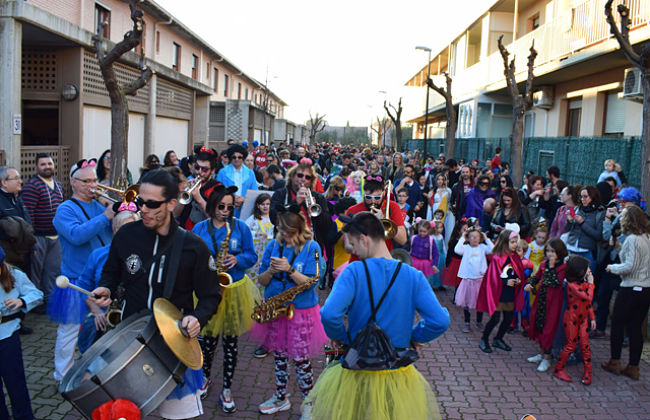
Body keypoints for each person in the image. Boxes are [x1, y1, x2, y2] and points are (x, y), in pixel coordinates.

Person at [90, 169, 221, 419]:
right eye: (140, 202)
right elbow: (111, 271)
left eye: (152, 204)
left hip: (173, 344)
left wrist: (197, 318)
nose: (144, 209)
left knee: (176, 415)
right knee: (124, 412)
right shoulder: (126, 235)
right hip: (128, 340)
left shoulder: (194, 247)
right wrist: (106, 287)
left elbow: (211, 296)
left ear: (172, 203)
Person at [306, 212, 450, 419]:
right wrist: (414, 337)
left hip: (359, 367)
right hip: (397, 369)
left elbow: (329, 314)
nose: (353, 253)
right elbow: (440, 321)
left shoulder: (353, 271)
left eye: (353, 247)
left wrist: (342, 338)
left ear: (364, 240)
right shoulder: (413, 276)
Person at [250, 206, 327, 415]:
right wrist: (270, 270)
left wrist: (289, 270)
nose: (283, 234)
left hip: (301, 312)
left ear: (299, 228)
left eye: (288, 230)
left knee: (301, 360)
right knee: (280, 356)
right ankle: (281, 397)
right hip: (276, 309)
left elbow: (312, 282)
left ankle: (308, 403)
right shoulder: (273, 245)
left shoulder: (312, 248)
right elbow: (262, 280)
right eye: (281, 229)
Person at [192, 185, 259, 412]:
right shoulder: (200, 228)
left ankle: (227, 389)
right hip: (208, 290)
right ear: (212, 206)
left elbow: (252, 255)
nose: (226, 211)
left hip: (234, 291)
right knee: (207, 342)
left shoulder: (240, 228)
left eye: (230, 207)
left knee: (231, 344)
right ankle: (205, 378)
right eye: (221, 207)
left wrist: (237, 260)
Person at [50, 159, 114, 383]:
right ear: (73, 183)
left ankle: (96, 372)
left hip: (101, 279)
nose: (92, 185)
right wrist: (106, 215)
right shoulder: (64, 209)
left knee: (100, 330)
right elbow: (77, 236)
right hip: (75, 281)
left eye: (94, 180)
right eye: (86, 181)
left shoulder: (100, 205)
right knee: (69, 333)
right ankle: (62, 375)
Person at [77, 206, 140, 353]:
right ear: (114, 229)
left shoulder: (144, 256)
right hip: (102, 317)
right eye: (123, 229)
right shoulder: (98, 255)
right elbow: (83, 286)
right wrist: (97, 310)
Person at [602, 205, 650, 381]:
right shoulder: (647, 237)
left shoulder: (633, 239)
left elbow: (630, 266)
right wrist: (618, 249)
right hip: (646, 289)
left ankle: (615, 361)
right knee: (635, 327)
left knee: (617, 323)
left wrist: (611, 267)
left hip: (631, 287)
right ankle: (633, 366)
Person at [0, 245, 43, 420]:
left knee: (15, 382)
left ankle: (24, 417)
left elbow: (37, 294)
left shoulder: (14, 275)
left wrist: (22, 301)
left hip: (8, 336)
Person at [21, 153, 64, 310]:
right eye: (43, 164)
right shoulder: (32, 186)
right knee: (36, 272)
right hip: (38, 237)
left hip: (55, 236)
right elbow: (28, 213)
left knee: (52, 270)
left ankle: (48, 300)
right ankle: (35, 302)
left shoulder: (58, 185)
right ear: (36, 167)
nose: (47, 167)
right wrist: (31, 237)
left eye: (49, 164)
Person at [476, 229, 525, 353]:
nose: (515, 245)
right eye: (512, 242)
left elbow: (517, 273)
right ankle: (484, 339)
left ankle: (498, 339)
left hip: (509, 294)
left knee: (508, 318)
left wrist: (518, 281)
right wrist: (505, 282)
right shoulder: (498, 258)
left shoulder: (515, 257)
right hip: (498, 294)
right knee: (495, 319)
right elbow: (492, 278)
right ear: (504, 242)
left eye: (516, 242)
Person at [270, 163, 332, 255]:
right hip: (285, 246)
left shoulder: (318, 198)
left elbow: (327, 226)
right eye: (300, 175)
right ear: (292, 176)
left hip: (310, 247)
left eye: (308, 177)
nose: (303, 179)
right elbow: (274, 217)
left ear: (311, 181)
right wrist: (296, 202)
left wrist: (315, 212)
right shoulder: (281, 194)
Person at [525, 238, 568, 372]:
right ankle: (542, 352)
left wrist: (551, 266)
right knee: (540, 324)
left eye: (553, 251)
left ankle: (547, 358)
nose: (550, 254)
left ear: (560, 252)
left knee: (550, 327)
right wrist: (531, 284)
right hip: (541, 298)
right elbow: (537, 277)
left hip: (554, 301)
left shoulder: (563, 267)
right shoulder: (544, 264)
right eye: (548, 251)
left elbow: (556, 282)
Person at [552, 255, 595, 385]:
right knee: (570, 345)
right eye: (587, 268)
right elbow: (588, 298)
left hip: (583, 319)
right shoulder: (572, 285)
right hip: (571, 318)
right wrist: (592, 284)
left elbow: (587, 304)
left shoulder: (584, 283)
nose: (589, 270)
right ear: (580, 272)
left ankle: (588, 372)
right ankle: (558, 369)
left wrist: (592, 318)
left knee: (585, 345)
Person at [345, 176, 407, 260]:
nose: (373, 201)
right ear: (364, 194)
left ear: (384, 193)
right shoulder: (352, 210)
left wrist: (385, 221)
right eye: (368, 197)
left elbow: (403, 240)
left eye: (377, 197)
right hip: (359, 262)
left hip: (383, 262)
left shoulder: (392, 207)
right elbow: (347, 247)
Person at [455, 227, 493, 333]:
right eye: (472, 237)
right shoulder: (466, 248)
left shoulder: (483, 247)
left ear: (480, 238)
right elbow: (457, 250)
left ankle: (479, 321)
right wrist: (462, 237)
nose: (474, 239)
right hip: (468, 280)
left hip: (479, 280)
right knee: (466, 302)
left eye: (477, 237)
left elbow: (493, 250)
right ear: (468, 238)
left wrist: (487, 239)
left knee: (479, 302)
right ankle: (467, 323)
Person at [564, 186, 604, 276]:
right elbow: (567, 229)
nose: (582, 199)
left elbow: (598, 235)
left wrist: (582, 223)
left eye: (585, 197)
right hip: (571, 248)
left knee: (586, 281)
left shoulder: (599, 213)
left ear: (593, 197)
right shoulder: (577, 209)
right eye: (581, 197)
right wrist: (569, 221)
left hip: (587, 251)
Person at [179, 147, 219, 231]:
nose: (199, 172)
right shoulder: (189, 183)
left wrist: (199, 198)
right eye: (197, 167)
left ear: (212, 170)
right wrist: (183, 193)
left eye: (204, 169)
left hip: (204, 235)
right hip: (186, 232)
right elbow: (175, 213)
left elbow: (215, 218)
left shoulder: (218, 188)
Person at [217, 144, 259, 218]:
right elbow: (218, 191)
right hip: (226, 209)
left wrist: (244, 199)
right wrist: (232, 199)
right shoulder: (222, 172)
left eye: (239, 157)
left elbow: (255, 192)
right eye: (234, 157)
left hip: (245, 209)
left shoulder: (250, 173)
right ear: (230, 158)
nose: (237, 159)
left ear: (243, 158)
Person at [245, 193, 273, 279]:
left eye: (268, 204)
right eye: (262, 204)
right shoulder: (253, 219)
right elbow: (244, 232)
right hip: (255, 254)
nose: (265, 206)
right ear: (258, 205)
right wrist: (256, 234)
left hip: (269, 253)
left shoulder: (274, 218)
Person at [409, 220, 439, 289]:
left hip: (425, 264)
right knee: (413, 281)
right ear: (418, 229)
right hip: (414, 262)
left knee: (424, 282)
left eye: (424, 231)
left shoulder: (431, 240)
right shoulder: (414, 238)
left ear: (428, 231)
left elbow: (435, 253)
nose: (422, 233)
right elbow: (408, 249)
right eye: (420, 231)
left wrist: (434, 264)